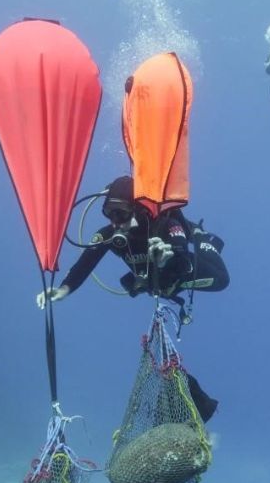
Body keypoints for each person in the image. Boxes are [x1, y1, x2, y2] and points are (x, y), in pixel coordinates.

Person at [35, 175, 225, 421]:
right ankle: (149, 277)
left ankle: (200, 235)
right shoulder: (110, 235)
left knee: (221, 279)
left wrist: (168, 258)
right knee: (137, 283)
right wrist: (62, 290)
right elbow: (85, 264)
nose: (115, 223)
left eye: (121, 214)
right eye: (109, 214)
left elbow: (183, 262)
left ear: (135, 209)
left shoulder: (165, 225)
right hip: (151, 281)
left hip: (178, 274)